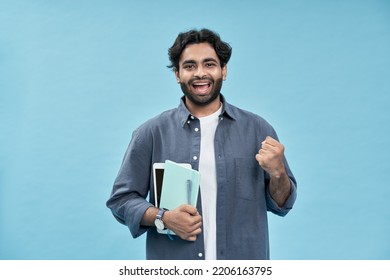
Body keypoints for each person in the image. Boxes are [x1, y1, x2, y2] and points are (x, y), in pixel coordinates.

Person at [106, 28, 297, 260]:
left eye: (209, 64)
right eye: (189, 66)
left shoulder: (258, 130)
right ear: (177, 74)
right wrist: (163, 218)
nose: (200, 73)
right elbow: (121, 201)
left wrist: (278, 174)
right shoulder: (151, 133)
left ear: (223, 70)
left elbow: (282, 204)